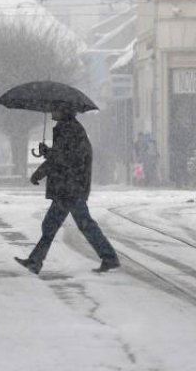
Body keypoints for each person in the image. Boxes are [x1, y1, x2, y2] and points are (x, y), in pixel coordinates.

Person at [14, 106, 120, 275]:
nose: (51, 112)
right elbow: (63, 156)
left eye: (55, 109)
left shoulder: (69, 129)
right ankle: (35, 261)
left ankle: (109, 257)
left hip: (70, 187)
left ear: (64, 111)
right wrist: (48, 153)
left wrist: (41, 169)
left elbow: (63, 158)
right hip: (70, 186)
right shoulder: (69, 128)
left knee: (75, 224)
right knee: (59, 224)